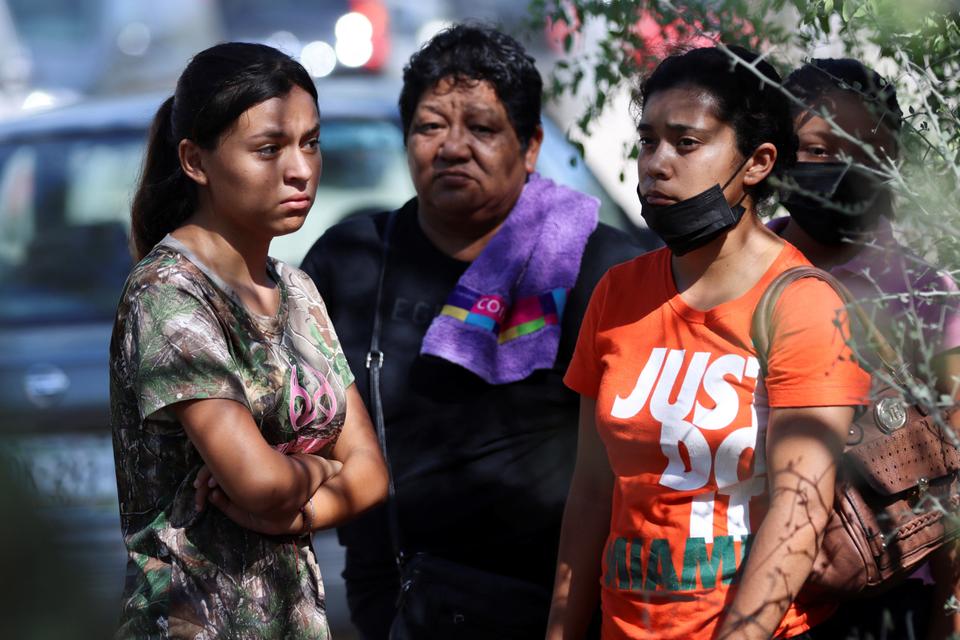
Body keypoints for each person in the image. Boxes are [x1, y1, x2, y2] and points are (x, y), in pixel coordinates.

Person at [300, 24, 651, 639]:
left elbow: (639, 464)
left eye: (483, 129)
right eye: (431, 126)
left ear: (532, 144)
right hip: (399, 604)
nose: (453, 147)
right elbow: (295, 418)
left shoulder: (602, 270)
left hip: (557, 607)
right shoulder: (349, 261)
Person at [546, 46, 872, 640]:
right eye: (648, 141)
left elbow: (800, 515)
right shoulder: (616, 294)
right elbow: (592, 493)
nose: (656, 164)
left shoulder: (805, 305)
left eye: (686, 143)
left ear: (757, 162)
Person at [110, 42, 387, 639]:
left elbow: (371, 474)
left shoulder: (299, 290)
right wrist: (321, 468)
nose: (301, 170)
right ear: (194, 160)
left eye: (310, 142)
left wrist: (298, 500)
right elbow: (258, 484)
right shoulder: (169, 294)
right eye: (268, 149)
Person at [772, 58, 960, 640]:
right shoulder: (738, 270)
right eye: (819, 149)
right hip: (714, 584)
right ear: (774, 152)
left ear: (895, 163)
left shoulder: (930, 299)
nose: (843, 167)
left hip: (873, 603)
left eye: (867, 149)